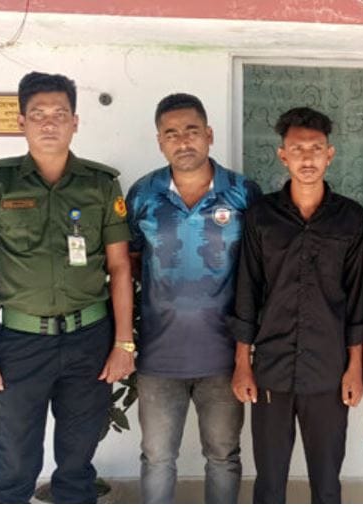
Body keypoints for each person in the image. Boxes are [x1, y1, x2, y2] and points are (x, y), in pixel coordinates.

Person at [0, 71, 135, 503]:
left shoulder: (100, 186)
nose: (49, 123)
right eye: (38, 114)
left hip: (89, 341)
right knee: (16, 462)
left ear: (75, 121)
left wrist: (123, 344)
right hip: (21, 343)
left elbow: (120, 267)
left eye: (60, 113)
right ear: (22, 122)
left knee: (77, 462)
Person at [229, 106, 363, 503]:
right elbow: (247, 289)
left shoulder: (350, 218)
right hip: (271, 368)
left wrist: (355, 368)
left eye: (316, 148)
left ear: (330, 154)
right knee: (269, 482)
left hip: (328, 370)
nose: (307, 158)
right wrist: (243, 363)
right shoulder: (261, 216)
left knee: (327, 482)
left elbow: (357, 297)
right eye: (297, 149)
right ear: (282, 155)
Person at [126, 93, 260, 503]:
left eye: (191, 130)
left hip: (224, 357)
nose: (183, 141)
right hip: (158, 356)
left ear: (209, 134)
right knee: (156, 458)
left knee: (223, 456)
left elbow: (258, 270)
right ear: (159, 141)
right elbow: (129, 264)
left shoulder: (242, 193)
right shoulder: (142, 194)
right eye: (171, 133)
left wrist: (247, 352)